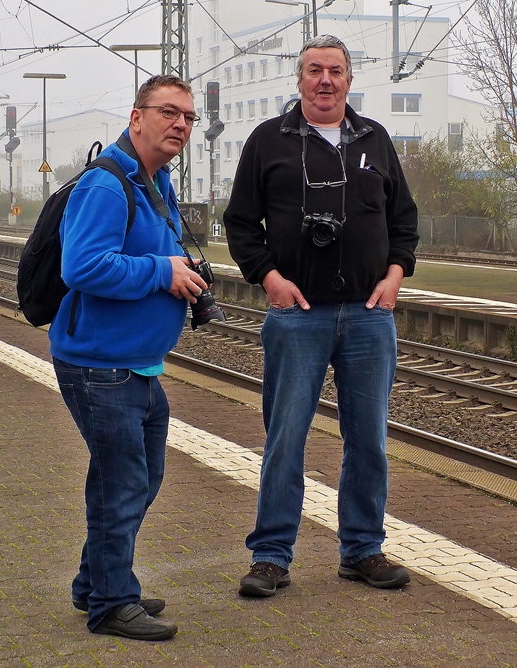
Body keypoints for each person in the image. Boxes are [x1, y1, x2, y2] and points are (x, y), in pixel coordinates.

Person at [223, 34, 419, 596]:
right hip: (297, 315)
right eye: (314, 70)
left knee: (369, 440)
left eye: (335, 70)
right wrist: (270, 278)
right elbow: (241, 224)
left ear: (350, 80)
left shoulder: (375, 140)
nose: (325, 80)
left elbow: (403, 220)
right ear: (300, 79)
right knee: (285, 437)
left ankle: (362, 550)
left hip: (368, 315)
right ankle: (271, 556)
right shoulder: (268, 141)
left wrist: (395, 275)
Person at [49, 74, 208, 640]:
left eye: (188, 117)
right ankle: (112, 603)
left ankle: (96, 580)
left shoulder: (153, 182)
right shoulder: (107, 185)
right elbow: (83, 267)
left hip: (136, 365)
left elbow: (151, 254)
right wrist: (162, 272)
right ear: (136, 116)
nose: (180, 125)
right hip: (100, 366)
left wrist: (179, 270)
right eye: (169, 112)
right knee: (121, 483)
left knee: (136, 478)